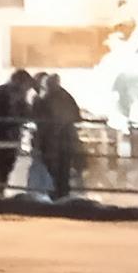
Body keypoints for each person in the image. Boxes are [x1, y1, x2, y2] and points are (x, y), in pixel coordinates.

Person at [31, 71, 86, 201]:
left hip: (50, 142)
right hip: (65, 141)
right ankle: (62, 197)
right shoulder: (66, 97)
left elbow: (35, 118)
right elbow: (77, 116)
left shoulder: (42, 99)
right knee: (63, 171)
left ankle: (55, 196)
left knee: (53, 171)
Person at [0, 64, 33, 193]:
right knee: (5, 163)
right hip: (9, 133)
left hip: (2, 133)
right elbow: (25, 113)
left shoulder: (1, 91)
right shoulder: (16, 95)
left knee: (1, 163)